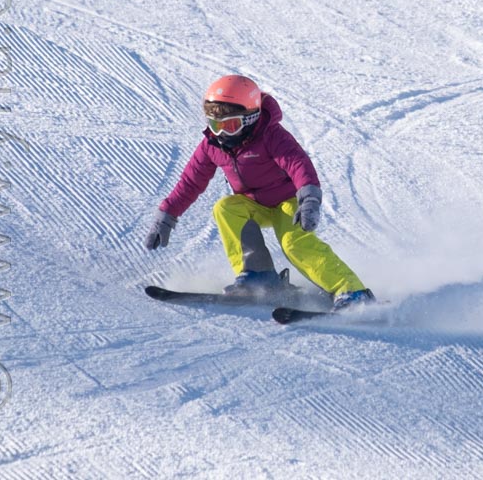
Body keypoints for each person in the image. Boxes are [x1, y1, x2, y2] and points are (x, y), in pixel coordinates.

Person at [144, 74, 374, 310]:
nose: (221, 133)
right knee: (225, 208)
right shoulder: (212, 145)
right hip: (254, 204)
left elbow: (298, 164)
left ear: (250, 118)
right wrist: (167, 215)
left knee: (294, 243)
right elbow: (190, 182)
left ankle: (351, 291)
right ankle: (258, 276)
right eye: (215, 125)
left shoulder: (271, 135)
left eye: (230, 125)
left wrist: (309, 199)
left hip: (288, 202)